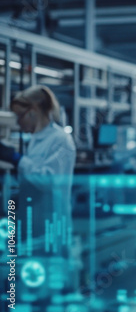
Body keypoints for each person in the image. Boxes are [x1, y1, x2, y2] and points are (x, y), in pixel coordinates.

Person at [0, 85, 76, 254]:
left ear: (33, 110)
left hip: (53, 224)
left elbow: (48, 181)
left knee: (52, 274)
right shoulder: (35, 140)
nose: (18, 122)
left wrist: (17, 159)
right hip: (34, 222)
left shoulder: (62, 140)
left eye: (20, 115)